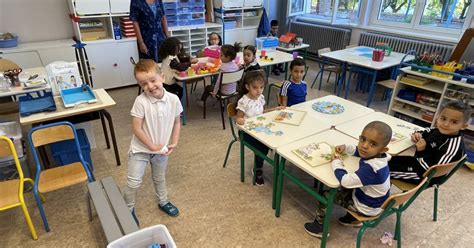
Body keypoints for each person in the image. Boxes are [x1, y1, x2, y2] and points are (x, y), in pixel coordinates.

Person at [304, 121, 393, 238]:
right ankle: (351, 219)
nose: (364, 146)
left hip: (366, 208)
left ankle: (319, 227)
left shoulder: (372, 169)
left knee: (327, 194)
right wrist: (346, 148)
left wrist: (336, 162)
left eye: (373, 144)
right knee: (349, 186)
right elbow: (361, 152)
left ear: (383, 149)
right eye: (363, 139)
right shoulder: (381, 157)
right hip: (376, 202)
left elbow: (345, 181)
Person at [123, 59, 182, 225]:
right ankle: (128, 208)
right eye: (144, 83)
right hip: (140, 149)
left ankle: (163, 201)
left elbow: (177, 121)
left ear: (162, 77)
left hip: (161, 149)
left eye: (153, 80)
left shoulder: (173, 99)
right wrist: (151, 146)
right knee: (133, 182)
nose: (150, 86)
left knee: (159, 178)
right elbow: (137, 129)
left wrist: (174, 142)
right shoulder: (140, 101)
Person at [389, 100, 469, 185]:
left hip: (424, 176)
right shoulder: (440, 131)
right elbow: (428, 131)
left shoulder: (453, 147)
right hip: (417, 162)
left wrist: (421, 151)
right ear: (438, 117)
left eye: (454, 122)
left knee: (382, 171)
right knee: (385, 160)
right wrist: (418, 134)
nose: (446, 124)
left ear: (463, 126)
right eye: (443, 118)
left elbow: (432, 170)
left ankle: (380, 195)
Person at [236, 70, 285, 186]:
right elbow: (238, 119)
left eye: (261, 87)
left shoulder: (261, 98)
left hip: (260, 130)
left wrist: (275, 109)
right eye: (255, 88)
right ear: (247, 87)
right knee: (263, 147)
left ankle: (276, 166)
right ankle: (258, 169)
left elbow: (262, 113)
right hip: (246, 133)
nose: (259, 90)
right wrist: (240, 120)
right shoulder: (243, 101)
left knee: (276, 138)